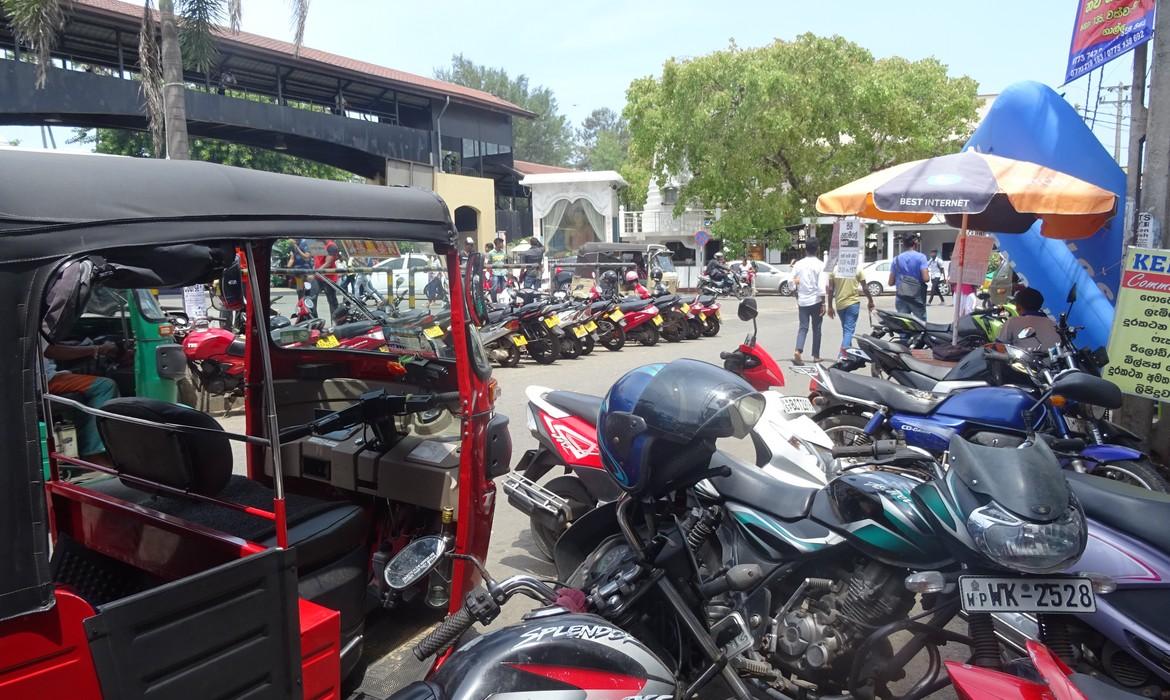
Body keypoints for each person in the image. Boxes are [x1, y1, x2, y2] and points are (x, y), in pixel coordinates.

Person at [44, 341, 120, 466]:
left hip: (47, 374)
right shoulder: (35, 323)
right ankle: (94, 454)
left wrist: (79, 345)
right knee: (105, 386)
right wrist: (96, 349)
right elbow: (50, 350)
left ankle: (86, 447)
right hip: (45, 380)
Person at [790, 239, 826, 365]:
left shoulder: (798, 264)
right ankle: (816, 356)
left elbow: (791, 282)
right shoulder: (820, 265)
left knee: (803, 327)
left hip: (803, 301)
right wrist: (824, 303)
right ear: (818, 249)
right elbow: (822, 287)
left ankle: (798, 350)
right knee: (817, 328)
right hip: (816, 300)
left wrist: (795, 289)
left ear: (805, 249)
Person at [826, 265, 875, 359]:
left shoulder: (834, 270)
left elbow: (831, 289)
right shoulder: (858, 269)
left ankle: (849, 354)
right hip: (853, 303)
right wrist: (870, 301)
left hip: (840, 304)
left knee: (846, 330)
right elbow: (865, 288)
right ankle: (843, 355)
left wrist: (830, 306)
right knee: (848, 330)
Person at [996, 287, 1061, 350]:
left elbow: (999, 346)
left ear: (1018, 306)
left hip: (1023, 360)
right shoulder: (1053, 324)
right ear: (1039, 306)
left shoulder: (1012, 322)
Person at [889, 235, 929, 321]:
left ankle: (905, 335)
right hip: (917, 296)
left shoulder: (896, 259)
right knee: (920, 324)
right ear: (915, 243)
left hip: (901, 296)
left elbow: (890, 282)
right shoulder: (921, 257)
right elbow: (926, 278)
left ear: (903, 245)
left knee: (904, 324)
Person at [309, 238, 340, 319]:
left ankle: (335, 323)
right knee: (312, 299)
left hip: (329, 277)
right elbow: (316, 261)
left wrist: (315, 273)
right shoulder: (317, 244)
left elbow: (328, 263)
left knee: (332, 301)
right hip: (318, 277)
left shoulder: (332, 246)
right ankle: (314, 321)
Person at [488, 237, 509, 302]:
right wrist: (489, 272)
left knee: (504, 288)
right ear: (497, 244)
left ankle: (503, 301)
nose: (502, 245)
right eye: (501, 243)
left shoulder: (504, 252)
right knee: (494, 288)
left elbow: (506, 262)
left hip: (503, 273)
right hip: (495, 273)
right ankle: (494, 301)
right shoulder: (491, 253)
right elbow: (489, 263)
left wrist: (508, 272)